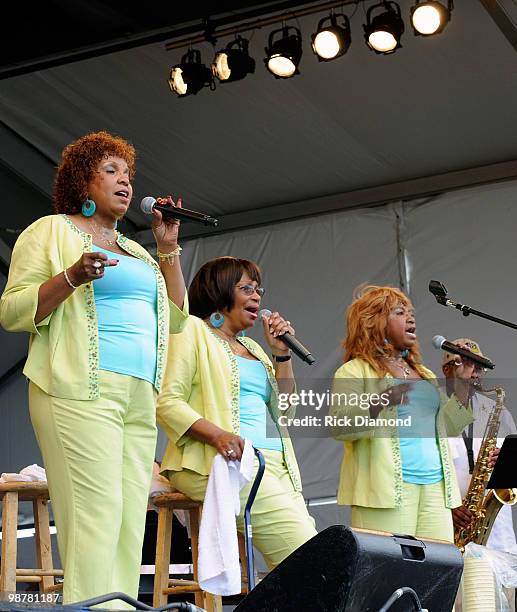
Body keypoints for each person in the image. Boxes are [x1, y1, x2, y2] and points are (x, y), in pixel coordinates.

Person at [0, 131, 188, 605]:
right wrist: (72, 275)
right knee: (95, 515)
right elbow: (13, 310)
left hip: (138, 396)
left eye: (128, 174)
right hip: (79, 390)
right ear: (83, 181)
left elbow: (178, 318)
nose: (125, 181)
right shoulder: (50, 231)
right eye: (112, 171)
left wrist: (168, 249)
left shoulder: (139, 252)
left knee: (129, 519)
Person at [156, 256, 317, 570]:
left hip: (279, 466)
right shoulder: (191, 330)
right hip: (224, 462)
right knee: (310, 557)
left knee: (300, 564)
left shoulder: (255, 349)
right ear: (220, 291)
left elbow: (285, 413)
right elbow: (167, 402)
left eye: (259, 290)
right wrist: (219, 436)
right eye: (247, 288)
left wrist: (282, 356)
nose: (257, 296)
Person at [330, 285, 474, 542]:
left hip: (436, 492)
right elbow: (340, 426)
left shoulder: (425, 374)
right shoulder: (354, 371)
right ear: (375, 322)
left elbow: (449, 427)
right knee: (390, 575)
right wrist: (382, 400)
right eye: (400, 312)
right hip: (385, 494)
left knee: (436, 574)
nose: (411, 317)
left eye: (411, 312)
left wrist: (462, 385)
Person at [443, 339, 517, 611]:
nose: (477, 373)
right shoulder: (435, 413)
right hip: (452, 529)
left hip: (498, 533)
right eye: (470, 364)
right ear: (448, 368)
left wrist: (506, 464)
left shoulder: (499, 412)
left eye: (481, 367)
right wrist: (447, 508)